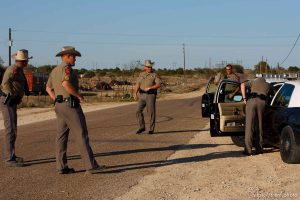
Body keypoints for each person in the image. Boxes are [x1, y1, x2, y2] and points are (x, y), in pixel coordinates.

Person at [46, 46, 106, 174]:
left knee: (61, 136)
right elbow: (65, 84)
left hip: (59, 105)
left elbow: (48, 88)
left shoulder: (55, 70)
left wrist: (56, 100)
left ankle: (61, 166)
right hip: (70, 105)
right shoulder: (66, 69)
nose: (75, 59)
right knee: (81, 134)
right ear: (67, 56)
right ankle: (91, 166)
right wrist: (78, 96)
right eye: (74, 56)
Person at [0, 49, 31, 167]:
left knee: (13, 128)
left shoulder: (19, 70)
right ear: (21, 61)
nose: (27, 62)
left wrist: (25, 90)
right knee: (10, 129)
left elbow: (19, 83)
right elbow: (5, 83)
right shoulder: (12, 69)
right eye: (26, 60)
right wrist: (11, 94)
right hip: (8, 101)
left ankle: (12, 155)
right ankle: (9, 158)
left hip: (12, 101)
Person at [240, 77, 270, 156]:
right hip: (262, 103)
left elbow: (242, 85)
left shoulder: (253, 82)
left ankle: (248, 150)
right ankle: (259, 149)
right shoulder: (268, 85)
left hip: (251, 101)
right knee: (259, 126)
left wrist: (244, 98)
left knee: (249, 126)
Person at [134, 60, 161, 134]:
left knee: (151, 112)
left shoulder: (154, 75)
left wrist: (151, 87)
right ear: (145, 67)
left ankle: (151, 129)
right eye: (148, 67)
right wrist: (135, 93)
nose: (150, 68)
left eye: (151, 67)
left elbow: (158, 84)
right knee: (138, 111)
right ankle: (142, 127)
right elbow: (138, 84)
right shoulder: (141, 74)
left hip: (150, 95)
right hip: (142, 95)